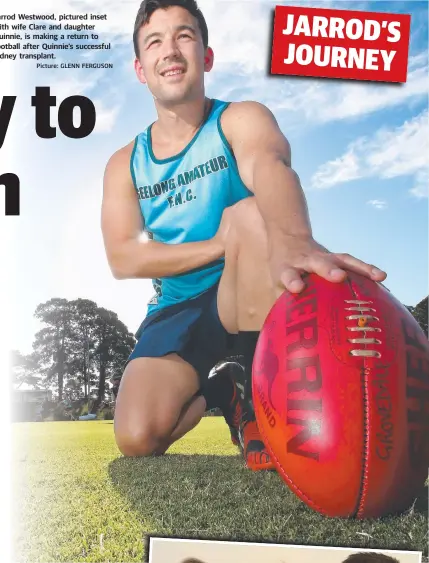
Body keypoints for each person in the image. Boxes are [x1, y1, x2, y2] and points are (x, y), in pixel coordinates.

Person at [101, 0, 387, 471]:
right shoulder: (123, 163)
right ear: (140, 69)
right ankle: (221, 387)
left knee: (252, 214)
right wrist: (220, 243)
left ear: (206, 56)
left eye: (184, 36)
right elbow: (124, 258)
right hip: (174, 307)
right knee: (137, 437)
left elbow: (269, 165)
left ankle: (259, 398)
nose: (170, 51)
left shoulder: (241, 118)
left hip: (244, 290)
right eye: (155, 41)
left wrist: (294, 238)